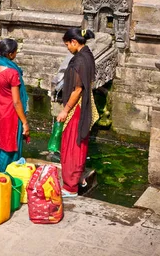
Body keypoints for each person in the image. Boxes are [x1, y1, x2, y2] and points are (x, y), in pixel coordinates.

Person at [57, 28, 96, 198]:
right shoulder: (88, 54)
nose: (67, 48)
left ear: (74, 42)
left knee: (71, 144)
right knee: (80, 142)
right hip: (85, 105)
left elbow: (77, 89)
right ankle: (79, 177)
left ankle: (70, 187)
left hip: (77, 107)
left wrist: (65, 110)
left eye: (68, 44)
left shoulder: (79, 61)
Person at [0, 38, 29, 172]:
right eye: (15, 52)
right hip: (12, 115)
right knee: (11, 146)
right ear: (10, 54)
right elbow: (16, 101)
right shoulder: (12, 73)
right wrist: (25, 122)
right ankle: (6, 175)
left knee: (0, 142)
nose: (16, 55)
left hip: (0, 112)